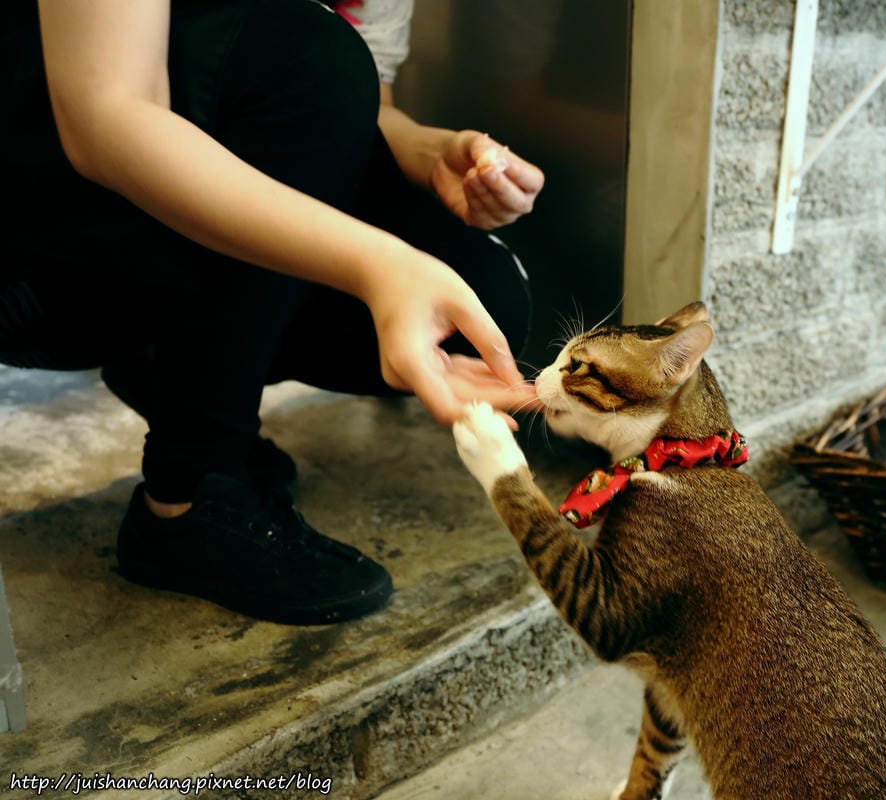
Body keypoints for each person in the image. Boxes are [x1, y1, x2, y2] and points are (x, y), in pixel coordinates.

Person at [0, 0, 544, 626]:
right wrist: (378, 266)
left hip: (140, 218)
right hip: (29, 237)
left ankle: (174, 373)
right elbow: (105, 115)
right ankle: (188, 493)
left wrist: (428, 150)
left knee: (480, 297)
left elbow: (357, 102)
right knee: (306, 50)